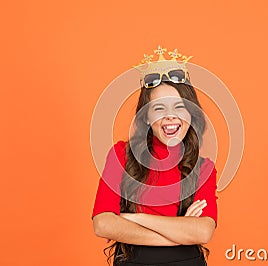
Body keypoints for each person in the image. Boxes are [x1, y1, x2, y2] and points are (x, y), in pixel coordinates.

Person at [91, 46, 218, 265]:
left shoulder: (204, 167)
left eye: (179, 107)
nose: (170, 116)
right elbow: (103, 224)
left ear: (190, 114)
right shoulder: (121, 155)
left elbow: (203, 232)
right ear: (146, 116)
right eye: (159, 108)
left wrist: (133, 218)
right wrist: (180, 231)